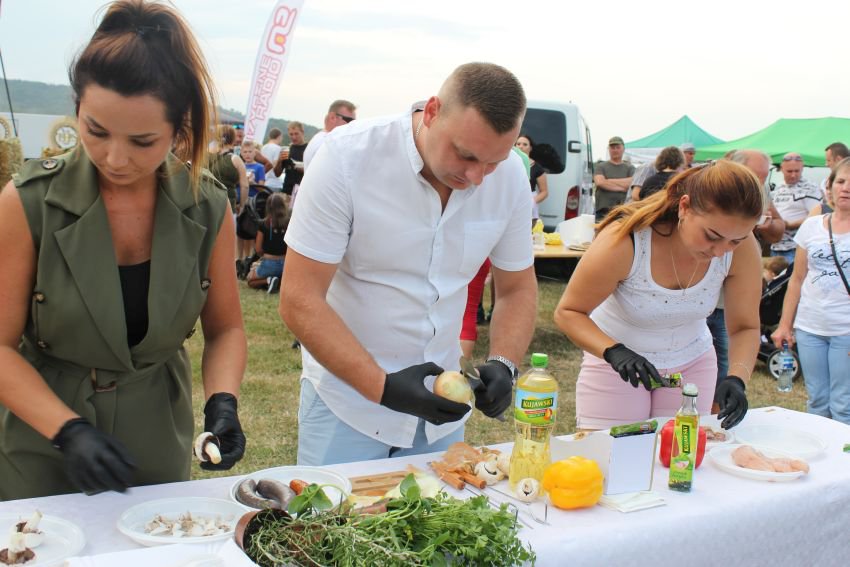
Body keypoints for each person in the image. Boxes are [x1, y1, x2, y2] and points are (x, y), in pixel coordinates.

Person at [0, 0, 247, 500]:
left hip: (156, 435)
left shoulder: (208, 208)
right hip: (40, 437)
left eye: (142, 141)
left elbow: (226, 329)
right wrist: (67, 430)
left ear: (179, 130)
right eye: (95, 131)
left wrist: (223, 401)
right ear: (77, 109)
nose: (114, 158)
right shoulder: (26, 203)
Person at [279, 62, 537, 466]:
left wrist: (505, 361)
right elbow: (299, 298)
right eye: (466, 155)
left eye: (493, 162)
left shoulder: (510, 179)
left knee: (438, 510)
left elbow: (517, 288)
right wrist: (382, 387)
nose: (477, 176)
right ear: (432, 112)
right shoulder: (346, 157)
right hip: (347, 406)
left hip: (443, 411)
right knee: (334, 509)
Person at [554, 160, 763, 430]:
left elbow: (745, 327)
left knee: (681, 453)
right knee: (613, 451)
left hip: (693, 360)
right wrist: (614, 352)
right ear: (685, 207)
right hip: (619, 366)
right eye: (712, 235)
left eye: (735, 241)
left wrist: (737, 378)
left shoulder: (743, 249)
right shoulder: (626, 241)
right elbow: (569, 312)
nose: (720, 251)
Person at [772, 157, 850, 425]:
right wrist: (785, 325)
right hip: (810, 327)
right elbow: (796, 279)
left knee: (843, 403)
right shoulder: (811, 226)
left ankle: (843, 451)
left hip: (846, 330)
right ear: (829, 187)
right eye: (841, 181)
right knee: (816, 400)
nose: (846, 188)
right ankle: (822, 448)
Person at [771, 152, 822, 262]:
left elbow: (817, 215)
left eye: (797, 171)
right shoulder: (779, 187)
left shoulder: (810, 188)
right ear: (781, 169)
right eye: (789, 171)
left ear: (802, 169)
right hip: (776, 246)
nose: (793, 175)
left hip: (796, 247)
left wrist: (790, 225)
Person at [246, 192, 289, 293]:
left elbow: (258, 249)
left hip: (269, 263)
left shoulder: (263, 224)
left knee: (250, 280)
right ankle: (279, 281)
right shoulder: (289, 223)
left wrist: (263, 256)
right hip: (286, 264)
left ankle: (269, 280)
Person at [302, 100, 357, 171]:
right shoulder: (328, 143)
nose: (352, 125)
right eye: (349, 120)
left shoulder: (319, 139)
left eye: (354, 122)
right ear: (332, 117)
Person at [593, 136, 635, 221]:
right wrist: (623, 187)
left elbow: (632, 183)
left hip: (623, 211)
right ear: (609, 149)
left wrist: (608, 181)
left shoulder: (630, 168)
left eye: (618, 147)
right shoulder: (600, 166)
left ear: (623, 149)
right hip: (603, 211)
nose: (615, 150)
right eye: (612, 148)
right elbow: (600, 183)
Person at [514, 134, 549, 225]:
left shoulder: (537, 168)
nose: (521, 146)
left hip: (528, 207)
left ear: (530, 148)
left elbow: (544, 191)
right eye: (518, 144)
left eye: (525, 144)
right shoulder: (509, 164)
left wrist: (532, 202)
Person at [274, 121, 307, 203]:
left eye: (296, 134)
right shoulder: (287, 149)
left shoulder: (308, 149)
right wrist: (279, 161)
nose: (294, 137)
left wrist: (298, 167)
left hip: (302, 192)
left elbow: (313, 172)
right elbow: (277, 174)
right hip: (286, 191)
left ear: (302, 132)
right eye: (291, 134)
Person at [261, 127, 284, 192]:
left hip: (264, 182)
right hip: (274, 183)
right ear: (279, 137)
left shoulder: (263, 147)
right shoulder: (278, 148)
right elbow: (275, 165)